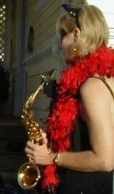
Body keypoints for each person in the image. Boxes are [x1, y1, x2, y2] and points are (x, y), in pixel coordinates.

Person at [24, 3, 114, 194]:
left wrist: (53, 157)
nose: (59, 44)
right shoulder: (101, 76)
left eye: (62, 36)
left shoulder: (92, 87)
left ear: (77, 34)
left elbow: (105, 160)